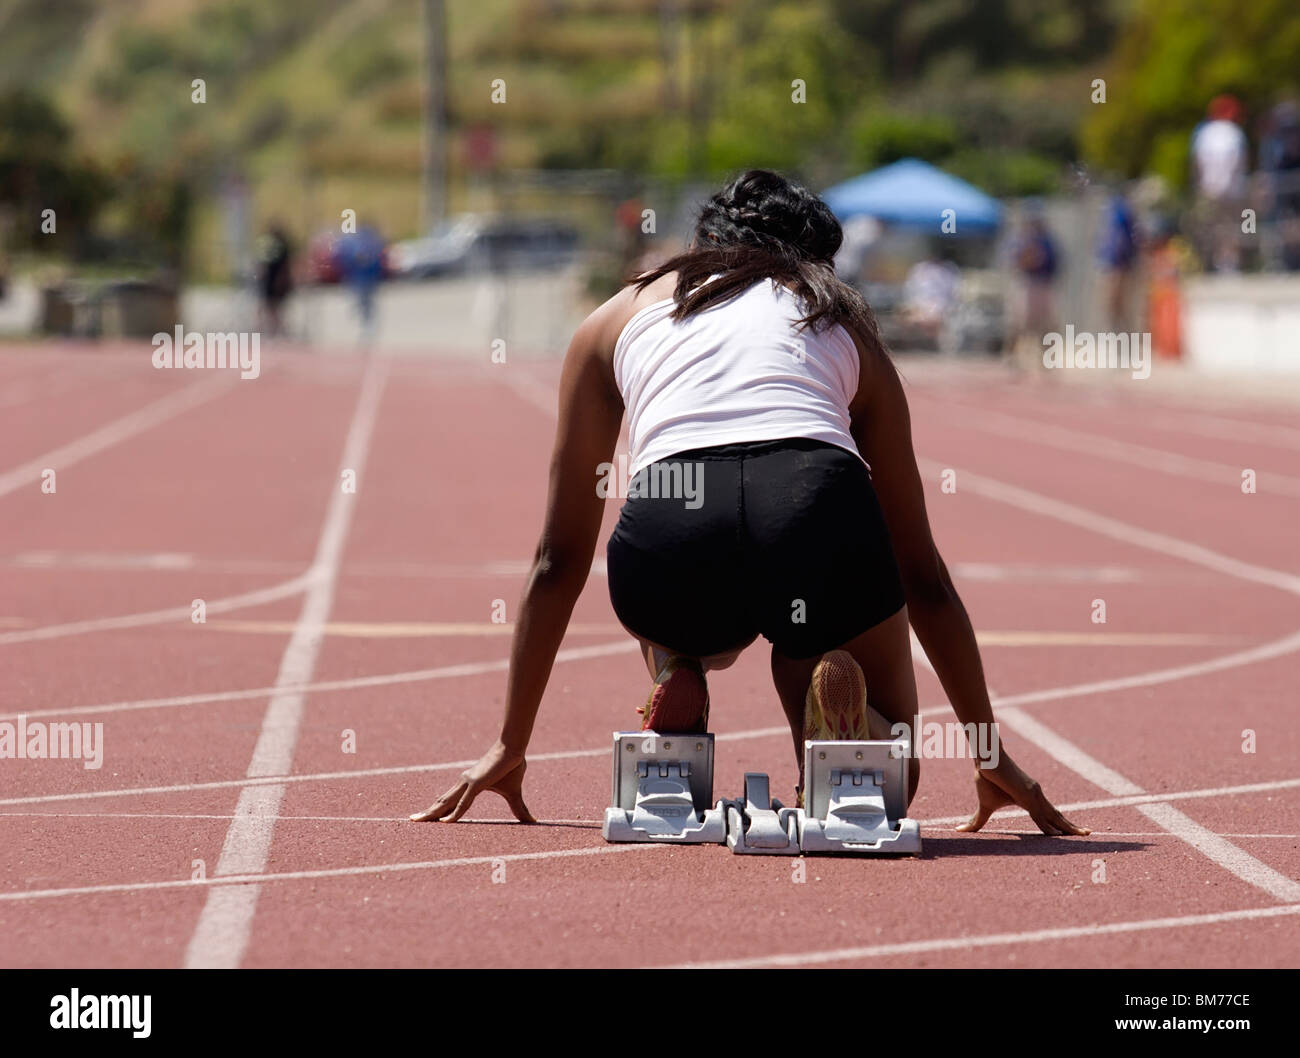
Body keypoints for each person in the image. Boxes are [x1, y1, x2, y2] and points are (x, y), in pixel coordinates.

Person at [411, 169, 1089, 838]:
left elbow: (557, 559)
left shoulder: (613, 318)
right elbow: (925, 578)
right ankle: (846, 727)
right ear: (814, 261)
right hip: (813, 508)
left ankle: (675, 678)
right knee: (863, 728)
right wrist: (989, 754)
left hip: (671, 535)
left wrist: (510, 742)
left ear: (701, 240)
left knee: (674, 579)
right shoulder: (839, 316)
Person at [1189, 95, 1249, 273]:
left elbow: (1197, 163)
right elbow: (1240, 163)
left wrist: (1200, 185)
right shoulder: (1235, 133)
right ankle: (1230, 265)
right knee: (1232, 228)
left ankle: (1210, 264)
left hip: (1208, 188)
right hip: (1232, 190)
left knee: (1211, 228)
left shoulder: (1204, 133)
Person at [255, 224, 293, 338]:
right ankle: (266, 329)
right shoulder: (270, 246)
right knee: (268, 307)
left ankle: (277, 330)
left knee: (274, 308)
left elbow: (283, 266)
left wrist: (280, 280)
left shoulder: (282, 247)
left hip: (276, 281)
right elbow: (264, 264)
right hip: (270, 280)